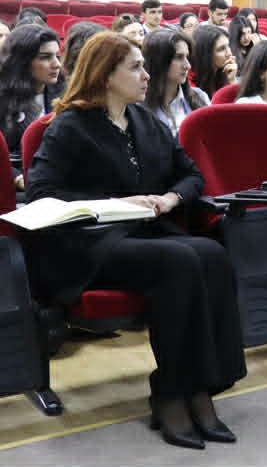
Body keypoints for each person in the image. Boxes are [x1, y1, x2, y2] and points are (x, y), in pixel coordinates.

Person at [24, 32, 246, 450]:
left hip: (144, 234)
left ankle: (203, 385)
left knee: (213, 254)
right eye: (136, 67)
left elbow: (191, 174)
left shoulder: (144, 121)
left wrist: (171, 198)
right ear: (106, 75)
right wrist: (114, 203)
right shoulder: (69, 126)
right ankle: (170, 392)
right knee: (178, 261)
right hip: (89, 244)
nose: (147, 75)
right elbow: (41, 193)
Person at [0, 25, 63, 190]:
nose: (57, 64)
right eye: (45, 57)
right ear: (23, 61)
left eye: (57, 56)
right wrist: (16, 177)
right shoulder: (3, 97)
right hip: (15, 185)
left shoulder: (66, 94)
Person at [143, 29, 209, 136]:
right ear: (159, 61)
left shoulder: (199, 96)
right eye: (178, 57)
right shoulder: (137, 106)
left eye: (187, 57)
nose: (187, 66)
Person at [191, 25, 238, 99]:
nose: (229, 53)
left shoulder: (222, 74)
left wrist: (232, 80)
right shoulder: (189, 83)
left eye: (228, 46)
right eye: (221, 49)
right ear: (206, 54)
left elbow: (235, 104)